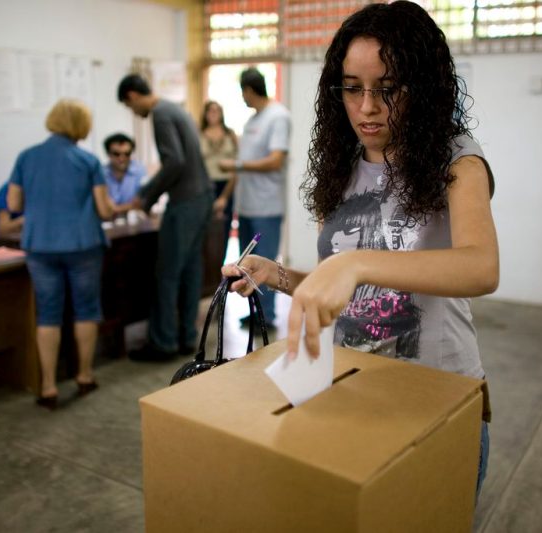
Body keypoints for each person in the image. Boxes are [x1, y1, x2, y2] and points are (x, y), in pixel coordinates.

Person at [222, 1, 498, 497]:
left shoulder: (457, 159)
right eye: (353, 88)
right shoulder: (340, 167)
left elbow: (481, 267)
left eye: (388, 89)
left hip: (437, 393)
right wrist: (276, 275)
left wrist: (355, 262)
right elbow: (341, 284)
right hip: (354, 386)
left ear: (422, 87)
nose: (368, 107)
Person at [7, 99, 115, 409]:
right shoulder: (88, 160)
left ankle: (48, 386)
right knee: (86, 309)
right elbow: (104, 210)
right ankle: (84, 375)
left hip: (40, 246)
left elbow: (13, 204)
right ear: (81, 125)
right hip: (82, 246)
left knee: (48, 313)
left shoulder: (26, 157)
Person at [117, 74, 213, 362]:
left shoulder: (160, 114)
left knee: (167, 273)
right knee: (191, 270)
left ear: (133, 96)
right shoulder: (175, 109)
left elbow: (175, 161)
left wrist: (147, 195)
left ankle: (163, 342)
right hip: (202, 196)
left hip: (185, 202)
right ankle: (187, 337)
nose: (133, 111)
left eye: (128, 106)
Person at [219, 67, 291, 330]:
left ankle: (266, 316)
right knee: (247, 264)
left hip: (266, 206)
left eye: (243, 92)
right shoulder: (252, 121)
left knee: (266, 263)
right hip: (246, 205)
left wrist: (237, 165)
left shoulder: (278, 116)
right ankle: (254, 311)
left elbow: (275, 160)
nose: (243, 98)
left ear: (249, 90)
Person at [199, 100, 238, 261]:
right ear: (205, 114)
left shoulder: (230, 135)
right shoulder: (199, 134)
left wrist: (224, 197)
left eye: (217, 110)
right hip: (205, 187)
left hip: (227, 186)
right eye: (210, 110)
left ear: (222, 114)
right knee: (205, 231)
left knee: (223, 229)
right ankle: (206, 270)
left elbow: (238, 165)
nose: (213, 113)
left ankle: (220, 267)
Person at [102, 132, 147, 216]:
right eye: (116, 154)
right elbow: (103, 206)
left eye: (127, 154)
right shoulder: (101, 173)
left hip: (134, 221)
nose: (122, 158)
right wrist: (129, 206)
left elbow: (143, 202)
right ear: (108, 154)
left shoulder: (140, 171)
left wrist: (115, 208)